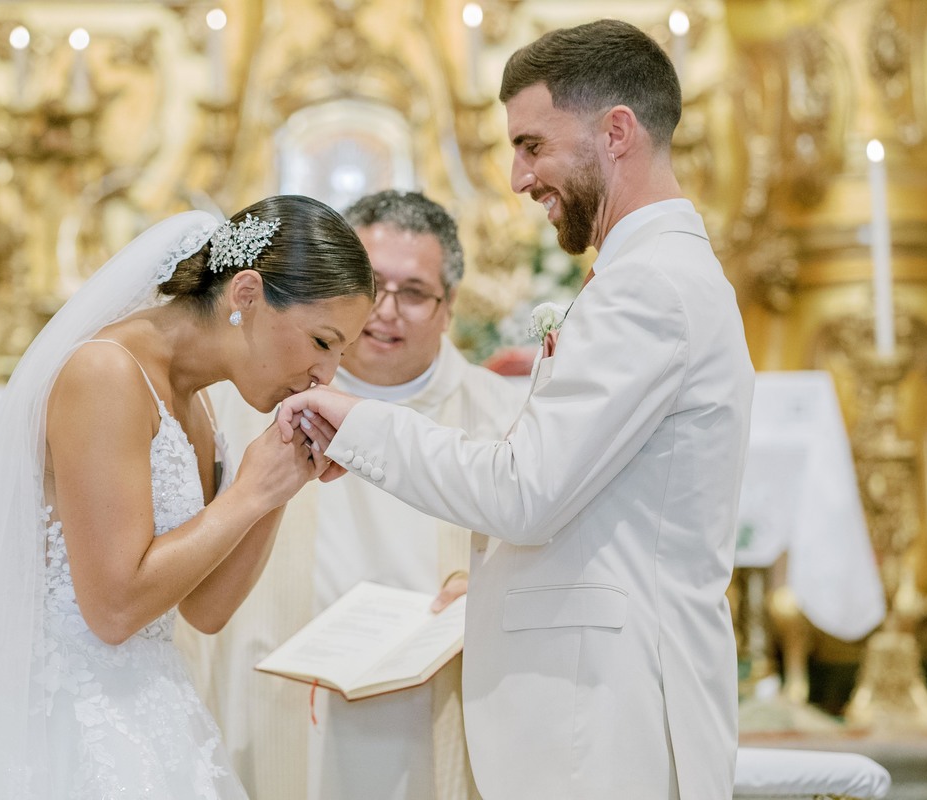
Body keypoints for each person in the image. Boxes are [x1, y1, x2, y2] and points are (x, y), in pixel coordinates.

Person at [278, 20, 755, 800]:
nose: (516, 177)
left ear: (616, 131)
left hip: (606, 720)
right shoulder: (649, 274)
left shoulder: (649, 288)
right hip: (599, 708)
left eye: (533, 144)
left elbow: (523, 494)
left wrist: (352, 421)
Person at [0, 195, 375, 799]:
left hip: (154, 709)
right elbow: (113, 609)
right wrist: (250, 491)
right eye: (323, 342)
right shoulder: (106, 373)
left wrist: (281, 486)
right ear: (246, 294)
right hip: (67, 721)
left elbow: (205, 610)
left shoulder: (198, 403)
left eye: (342, 353)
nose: (327, 376)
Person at [177, 191, 525, 800]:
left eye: (414, 292)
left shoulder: (505, 417)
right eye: (373, 286)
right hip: (273, 697)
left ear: (449, 308)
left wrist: (498, 587)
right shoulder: (239, 403)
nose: (386, 312)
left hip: (434, 706)